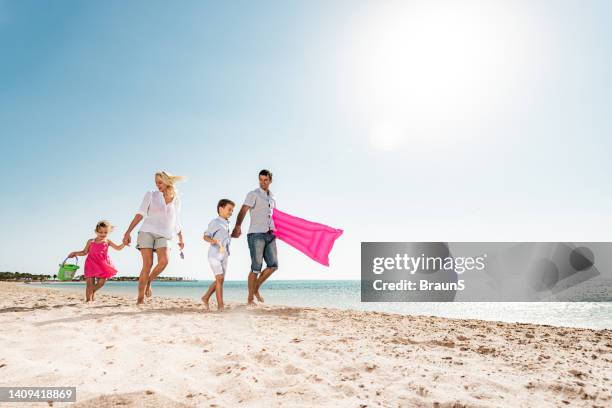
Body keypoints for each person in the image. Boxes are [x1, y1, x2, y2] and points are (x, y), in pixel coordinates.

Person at [122, 171, 185, 304]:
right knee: (147, 264)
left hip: (165, 234)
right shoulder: (151, 194)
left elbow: (177, 220)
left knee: (164, 261)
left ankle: (149, 280)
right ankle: (140, 299)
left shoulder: (176, 199)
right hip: (147, 232)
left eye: (160, 182)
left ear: (168, 182)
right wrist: (128, 232)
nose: (157, 185)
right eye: (156, 182)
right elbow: (140, 214)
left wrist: (181, 238)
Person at [232, 169, 278, 305]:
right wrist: (238, 226)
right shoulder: (253, 194)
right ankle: (250, 298)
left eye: (265, 180)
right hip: (256, 234)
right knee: (256, 267)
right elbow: (243, 210)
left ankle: (255, 289)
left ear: (270, 181)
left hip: (270, 234)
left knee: (273, 265)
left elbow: (274, 216)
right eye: (260, 180)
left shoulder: (273, 197)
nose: (263, 182)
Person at [68, 220, 126, 302]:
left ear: (108, 232)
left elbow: (118, 248)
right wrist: (75, 253)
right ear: (96, 231)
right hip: (91, 264)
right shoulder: (91, 241)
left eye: (105, 232)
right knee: (89, 284)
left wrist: (124, 243)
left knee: (101, 283)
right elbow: (85, 252)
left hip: (103, 264)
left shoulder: (107, 241)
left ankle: (92, 292)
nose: (103, 234)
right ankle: (88, 301)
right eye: (100, 232)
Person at [201, 199, 235, 311]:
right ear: (221, 208)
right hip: (214, 254)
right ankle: (221, 306)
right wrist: (213, 241)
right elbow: (205, 236)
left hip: (224, 255)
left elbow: (225, 238)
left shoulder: (227, 223)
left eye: (232, 210)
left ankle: (205, 298)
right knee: (219, 278)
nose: (231, 212)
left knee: (220, 280)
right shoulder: (215, 222)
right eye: (229, 209)